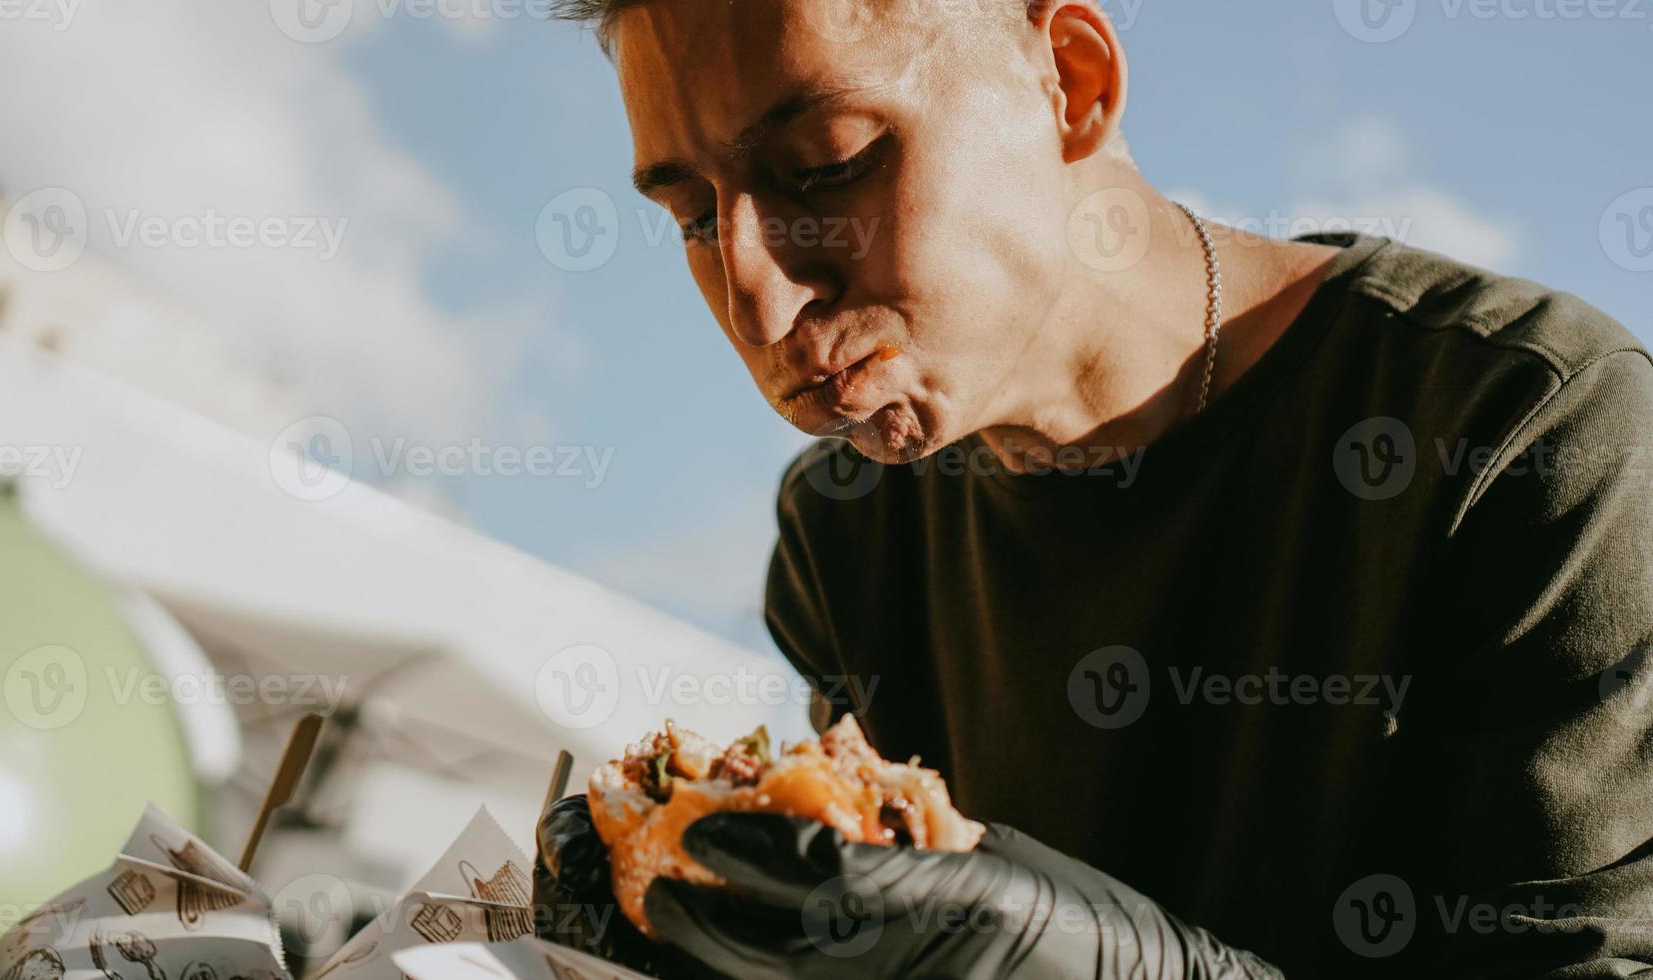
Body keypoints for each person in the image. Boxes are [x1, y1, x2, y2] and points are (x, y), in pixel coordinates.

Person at [532, 0, 1653, 975]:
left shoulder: (1531, 431)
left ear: (1070, 81)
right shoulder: (842, 533)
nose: (761, 303)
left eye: (825, 163)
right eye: (688, 215)